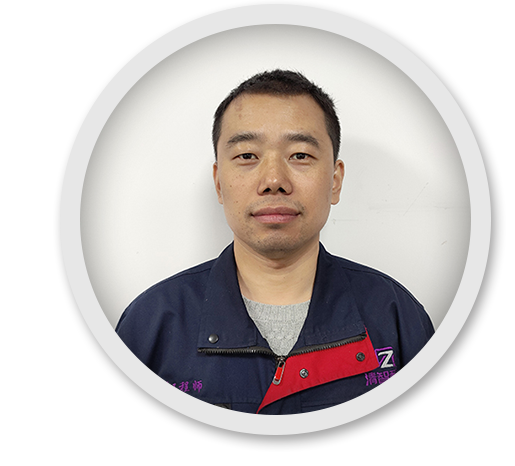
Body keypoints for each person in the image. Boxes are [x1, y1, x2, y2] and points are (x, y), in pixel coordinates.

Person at [105, 69, 454, 423]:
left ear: (335, 181)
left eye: (300, 155)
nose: (273, 180)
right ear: (219, 183)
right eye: (247, 156)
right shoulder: (150, 326)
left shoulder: (397, 318)